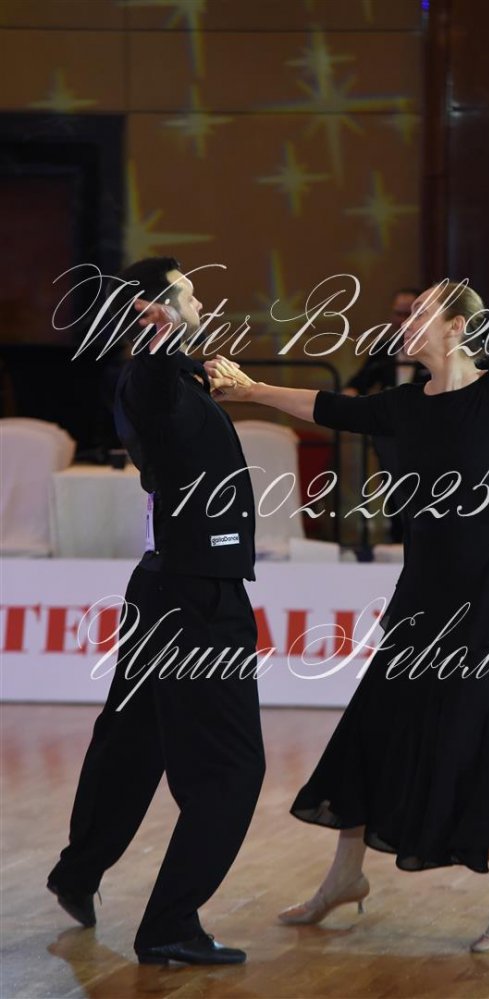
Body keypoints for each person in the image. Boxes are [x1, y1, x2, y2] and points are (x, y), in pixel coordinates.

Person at [206, 273, 489, 953]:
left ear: (457, 327)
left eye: (422, 311)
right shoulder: (405, 406)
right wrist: (251, 390)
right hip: (422, 596)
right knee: (377, 721)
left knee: (485, 734)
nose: (406, 320)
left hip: (486, 601)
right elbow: (328, 406)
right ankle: (346, 875)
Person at [47, 257, 265, 967]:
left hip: (168, 589)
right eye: (187, 293)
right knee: (232, 769)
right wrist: (168, 341)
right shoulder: (147, 375)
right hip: (195, 598)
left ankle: (78, 870)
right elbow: (154, 381)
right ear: (152, 310)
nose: (201, 301)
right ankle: (170, 923)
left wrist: (199, 364)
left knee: (134, 741)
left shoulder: (169, 376)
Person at [343, 287, 428, 543]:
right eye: (398, 314)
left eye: (410, 314)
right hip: (392, 433)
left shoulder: (434, 351)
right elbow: (359, 382)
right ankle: (397, 539)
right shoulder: (384, 350)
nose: (404, 321)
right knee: (393, 491)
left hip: (428, 433)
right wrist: (348, 401)